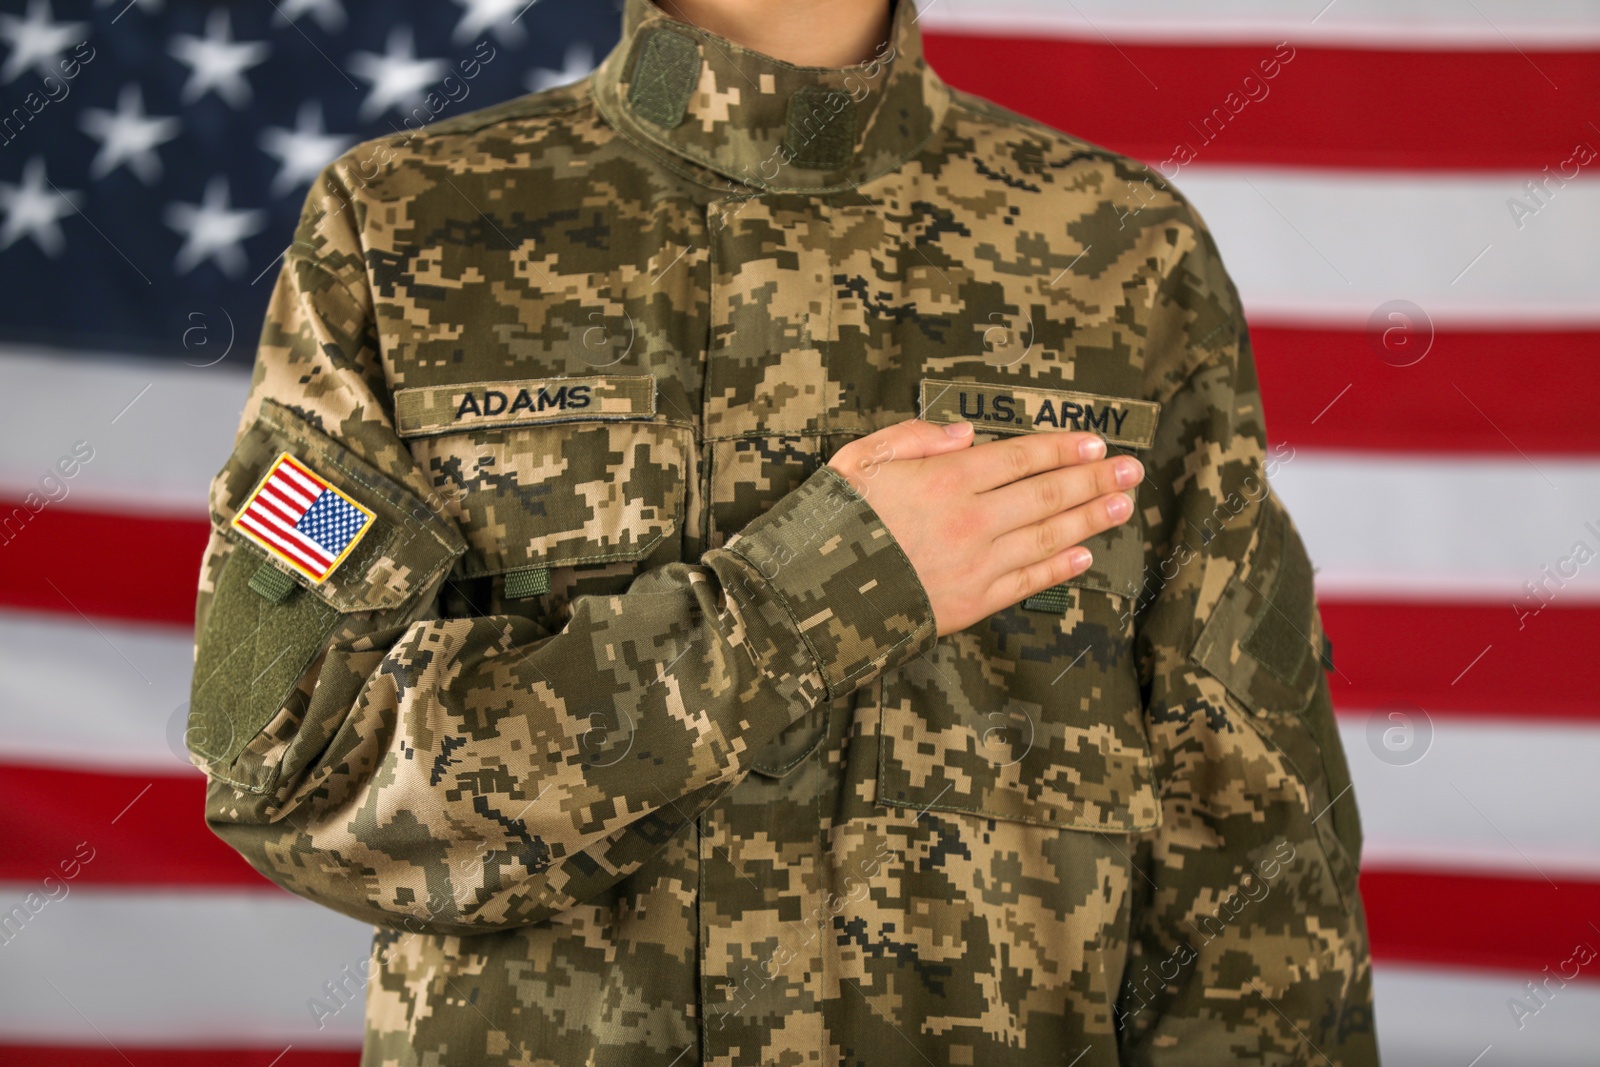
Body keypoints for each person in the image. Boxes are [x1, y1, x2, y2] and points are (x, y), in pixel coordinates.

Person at [185, 0, 1378, 1063]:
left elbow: (1252, 859)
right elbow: (290, 768)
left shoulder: (1123, 251)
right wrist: (807, 598)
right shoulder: (403, 227)